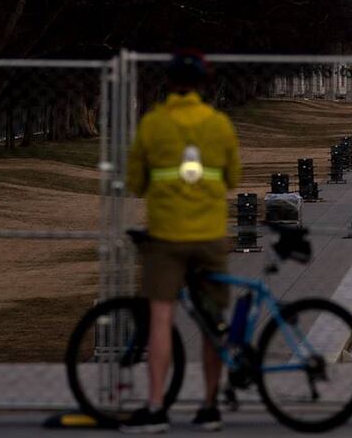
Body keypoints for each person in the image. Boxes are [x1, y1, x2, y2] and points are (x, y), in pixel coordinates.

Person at [121, 50, 241, 434]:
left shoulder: (153, 124)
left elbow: (136, 183)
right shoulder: (218, 123)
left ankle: (156, 406)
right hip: (208, 234)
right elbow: (233, 177)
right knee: (213, 322)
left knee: (160, 318)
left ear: (169, 83)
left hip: (167, 235)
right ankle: (210, 406)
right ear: (204, 85)